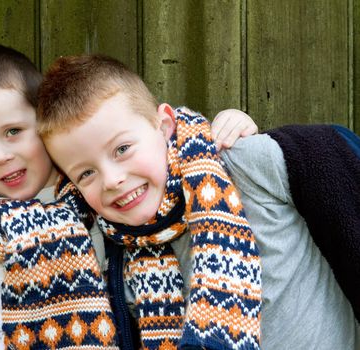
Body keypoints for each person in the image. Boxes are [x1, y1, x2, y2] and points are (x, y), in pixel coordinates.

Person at [0, 43, 256, 350]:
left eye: (13, 132)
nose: (1, 156)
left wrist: (229, 123)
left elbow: (170, 153)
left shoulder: (94, 197)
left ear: (44, 127)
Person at [36, 54, 360, 349]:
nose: (112, 180)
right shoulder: (114, 258)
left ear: (163, 126)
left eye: (122, 149)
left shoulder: (243, 166)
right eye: (86, 173)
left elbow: (333, 161)